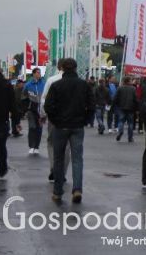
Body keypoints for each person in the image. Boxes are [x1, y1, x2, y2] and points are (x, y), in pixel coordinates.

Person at [44, 58, 94, 203]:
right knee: (77, 159)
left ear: (62, 68)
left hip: (61, 126)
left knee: (59, 159)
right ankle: (77, 189)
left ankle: (58, 191)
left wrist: (55, 120)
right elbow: (91, 105)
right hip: (77, 126)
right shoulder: (84, 85)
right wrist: (85, 120)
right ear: (76, 68)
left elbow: (48, 107)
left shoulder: (56, 85)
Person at [40, 60, 71, 183]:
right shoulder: (77, 81)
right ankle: (62, 172)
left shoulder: (51, 80)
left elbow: (44, 99)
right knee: (67, 146)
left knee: (52, 143)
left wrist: (43, 115)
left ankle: (54, 167)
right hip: (70, 118)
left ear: (58, 67)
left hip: (54, 117)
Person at [23, 69, 45, 154]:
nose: (39, 74)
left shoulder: (43, 84)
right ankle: (31, 146)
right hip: (31, 109)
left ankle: (36, 147)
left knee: (39, 128)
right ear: (33, 74)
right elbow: (24, 96)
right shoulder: (28, 85)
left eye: (40, 72)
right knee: (32, 127)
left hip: (41, 109)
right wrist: (26, 108)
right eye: (38, 72)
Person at [113, 77, 139, 143]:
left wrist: (116, 104)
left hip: (121, 107)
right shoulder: (133, 89)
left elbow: (115, 98)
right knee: (130, 123)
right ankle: (130, 137)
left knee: (121, 121)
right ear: (128, 81)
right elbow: (135, 99)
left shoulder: (120, 88)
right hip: (131, 108)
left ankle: (120, 131)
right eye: (130, 80)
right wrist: (137, 107)